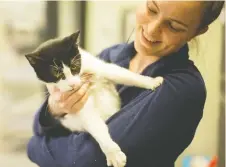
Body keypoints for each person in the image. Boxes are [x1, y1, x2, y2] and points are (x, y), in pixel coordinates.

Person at [27, 1, 224, 167]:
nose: (152, 29)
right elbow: (39, 125)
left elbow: (86, 159)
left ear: (197, 31)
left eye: (173, 26)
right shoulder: (113, 55)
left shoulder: (181, 88)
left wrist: (36, 146)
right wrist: (55, 109)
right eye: (152, 9)